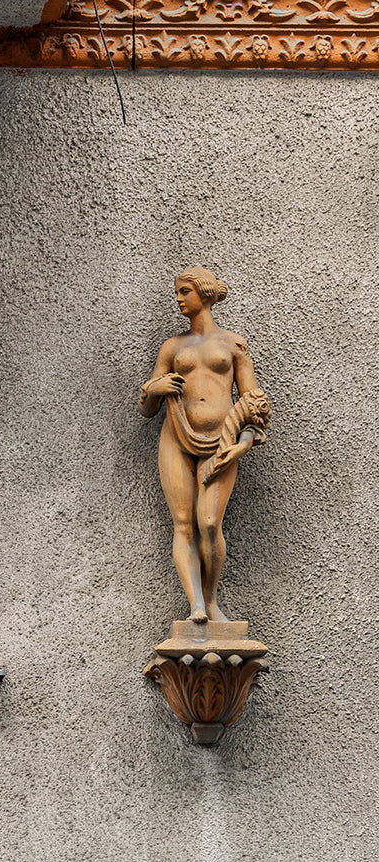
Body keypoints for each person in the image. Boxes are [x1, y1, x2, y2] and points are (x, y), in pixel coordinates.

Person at [138, 267, 270, 625]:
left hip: (222, 441)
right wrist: (155, 389)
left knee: (209, 523)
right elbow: (147, 408)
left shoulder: (233, 344)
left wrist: (241, 445)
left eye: (185, 291)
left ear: (204, 293)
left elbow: (253, 404)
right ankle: (195, 603)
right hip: (176, 436)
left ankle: (211, 602)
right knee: (183, 523)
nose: (178, 298)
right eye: (177, 292)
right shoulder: (172, 347)